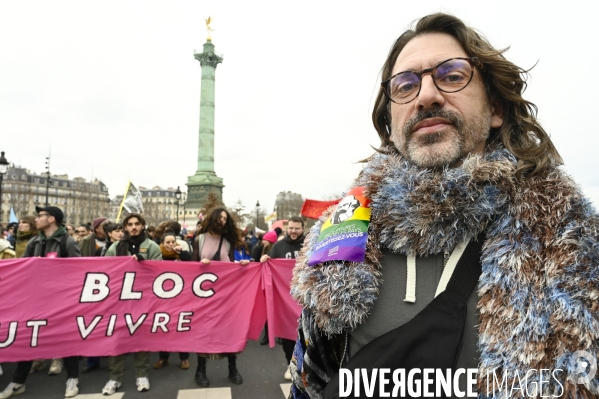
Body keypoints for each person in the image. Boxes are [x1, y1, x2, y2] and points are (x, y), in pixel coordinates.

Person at [289, 13, 599, 399]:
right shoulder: (345, 225)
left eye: (452, 75)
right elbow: (309, 378)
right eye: (405, 85)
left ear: (496, 109)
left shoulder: (572, 237)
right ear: (391, 116)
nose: (426, 95)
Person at [0, 206, 82, 399]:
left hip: (61, 301)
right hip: (36, 300)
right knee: (29, 338)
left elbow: (78, 270)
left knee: (65, 340)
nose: (37, 219)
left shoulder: (67, 241)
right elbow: (21, 268)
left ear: (51, 219)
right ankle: (18, 382)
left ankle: (72, 378)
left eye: (41, 216)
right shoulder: (35, 241)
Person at [101, 213, 162, 395]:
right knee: (117, 338)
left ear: (143, 226)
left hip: (142, 299)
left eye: (137, 224)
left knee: (140, 337)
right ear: (125, 227)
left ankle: (142, 375)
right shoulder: (115, 247)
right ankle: (114, 378)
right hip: (119, 300)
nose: (133, 227)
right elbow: (106, 271)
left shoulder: (151, 246)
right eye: (130, 224)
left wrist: (146, 264)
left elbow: (160, 270)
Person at [191, 207, 248, 387]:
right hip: (205, 295)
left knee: (229, 330)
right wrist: (201, 264)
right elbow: (191, 267)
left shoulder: (228, 242)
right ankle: (200, 370)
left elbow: (230, 266)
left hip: (225, 294)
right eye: (220, 217)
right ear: (213, 218)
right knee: (204, 330)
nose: (223, 220)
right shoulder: (199, 240)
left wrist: (241, 264)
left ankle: (233, 368)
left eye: (225, 218)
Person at [259, 217, 305, 381]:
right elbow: (269, 263)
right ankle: (290, 364)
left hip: (305, 298)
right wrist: (265, 259)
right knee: (287, 335)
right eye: (291, 228)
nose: (293, 231)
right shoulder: (279, 246)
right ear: (287, 229)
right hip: (285, 299)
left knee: (307, 334)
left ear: (302, 228)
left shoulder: (310, 244)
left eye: (297, 228)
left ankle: (305, 366)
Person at [153, 231, 192, 371]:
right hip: (161, 296)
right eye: (167, 242)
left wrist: (182, 253)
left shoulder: (180, 254)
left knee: (181, 326)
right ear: (162, 243)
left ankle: (184, 357)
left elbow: (192, 262)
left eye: (173, 242)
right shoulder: (157, 255)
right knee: (162, 327)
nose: (171, 244)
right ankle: (163, 357)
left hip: (179, 295)